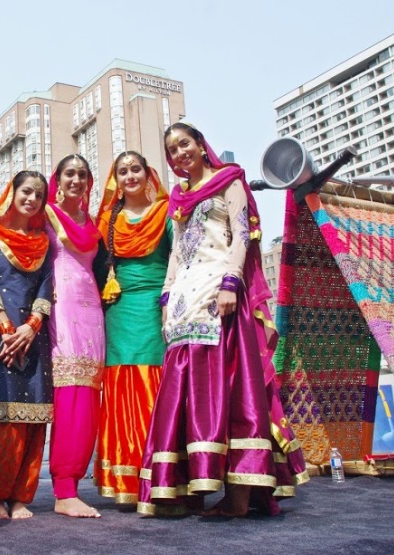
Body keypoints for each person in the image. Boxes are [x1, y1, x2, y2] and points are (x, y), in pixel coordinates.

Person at [137, 122, 309, 518]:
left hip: (220, 294)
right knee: (188, 393)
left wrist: (231, 282)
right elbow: (177, 252)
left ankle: (239, 495)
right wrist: (166, 297)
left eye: (185, 144)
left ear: (200, 144)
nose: (180, 153)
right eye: (172, 149)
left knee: (225, 390)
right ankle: (190, 487)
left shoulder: (230, 181)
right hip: (185, 301)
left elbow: (243, 235)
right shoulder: (177, 199)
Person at [0, 170, 53, 520]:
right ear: (11, 192)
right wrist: (6, 330)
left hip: (33, 337)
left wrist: (30, 329)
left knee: (32, 421)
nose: (31, 198)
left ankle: (21, 496)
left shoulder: (44, 241)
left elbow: (46, 287)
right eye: (25, 191)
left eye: (38, 194)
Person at [93, 151, 171, 506]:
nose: (129, 176)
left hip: (158, 306)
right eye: (122, 171)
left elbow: (182, 259)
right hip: (118, 310)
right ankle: (126, 481)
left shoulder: (167, 213)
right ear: (116, 180)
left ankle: (164, 476)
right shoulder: (106, 220)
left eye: (135, 169)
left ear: (148, 173)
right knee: (122, 387)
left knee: (157, 386)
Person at [44, 154, 105, 518]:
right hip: (60, 305)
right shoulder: (46, 214)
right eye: (70, 173)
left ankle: (74, 485)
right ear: (59, 179)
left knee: (88, 395)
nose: (76, 180)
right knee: (68, 394)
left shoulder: (92, 222)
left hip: (91, 308)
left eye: (83, 174)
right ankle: (63, 487)